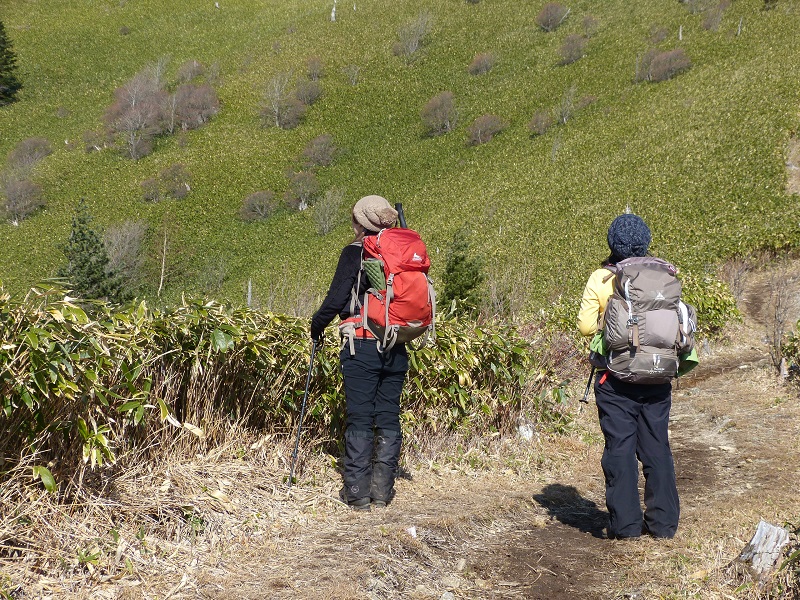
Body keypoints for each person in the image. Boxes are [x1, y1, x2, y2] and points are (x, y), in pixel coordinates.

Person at [577, 214, 680, 539]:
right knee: (657, 447)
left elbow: (584, 326)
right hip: (658, 376)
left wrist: (611, 328)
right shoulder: (665, 273)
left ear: (612, 244)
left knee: (620, 448)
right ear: (645, 242)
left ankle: (626, 526)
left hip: (615, 377)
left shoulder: (602, 277)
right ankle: (663, 525)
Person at [310, 195, 408, 511]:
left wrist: (317, 325)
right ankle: (382, 493)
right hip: (397, 343)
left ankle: (357, 494)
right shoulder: (403, 252)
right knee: (388, 414)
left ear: (358, 223)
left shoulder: (355, 253)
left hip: (361, 344)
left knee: (361, 415)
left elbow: (336, 299)